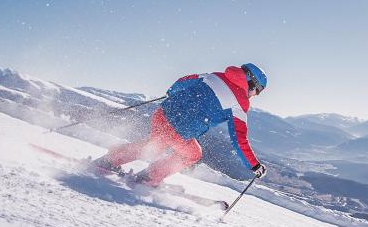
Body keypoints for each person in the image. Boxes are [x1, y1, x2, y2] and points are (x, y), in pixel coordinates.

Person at [93, 63, 268, 186]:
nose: (254, 95)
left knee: (155, 145)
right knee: (193, 153)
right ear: (251, 82)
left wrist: (171, 93)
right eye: (257, 91)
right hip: (179, 131)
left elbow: (184, 80)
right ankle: (149, 177)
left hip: (163, 113)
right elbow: (239, 139)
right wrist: (254, 165)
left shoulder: (214, 75)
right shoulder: (240, 104)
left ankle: (110, 159)